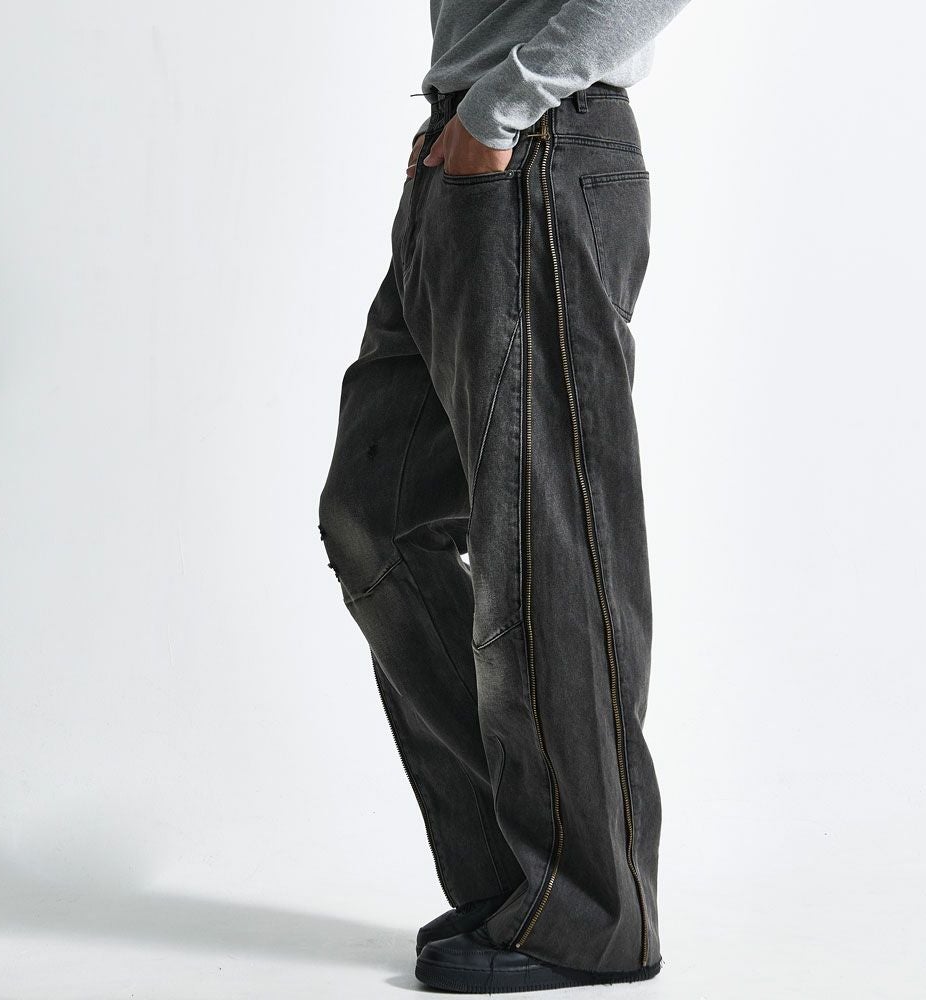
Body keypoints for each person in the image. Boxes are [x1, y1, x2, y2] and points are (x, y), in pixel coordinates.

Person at [318, 0, 691, 991]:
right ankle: (520, 877)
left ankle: (588, 915)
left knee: (547, 535)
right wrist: (465, 116)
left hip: (533, 143)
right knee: (373, 518)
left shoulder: (515, 115)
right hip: (468, 149)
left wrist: (502, 106)